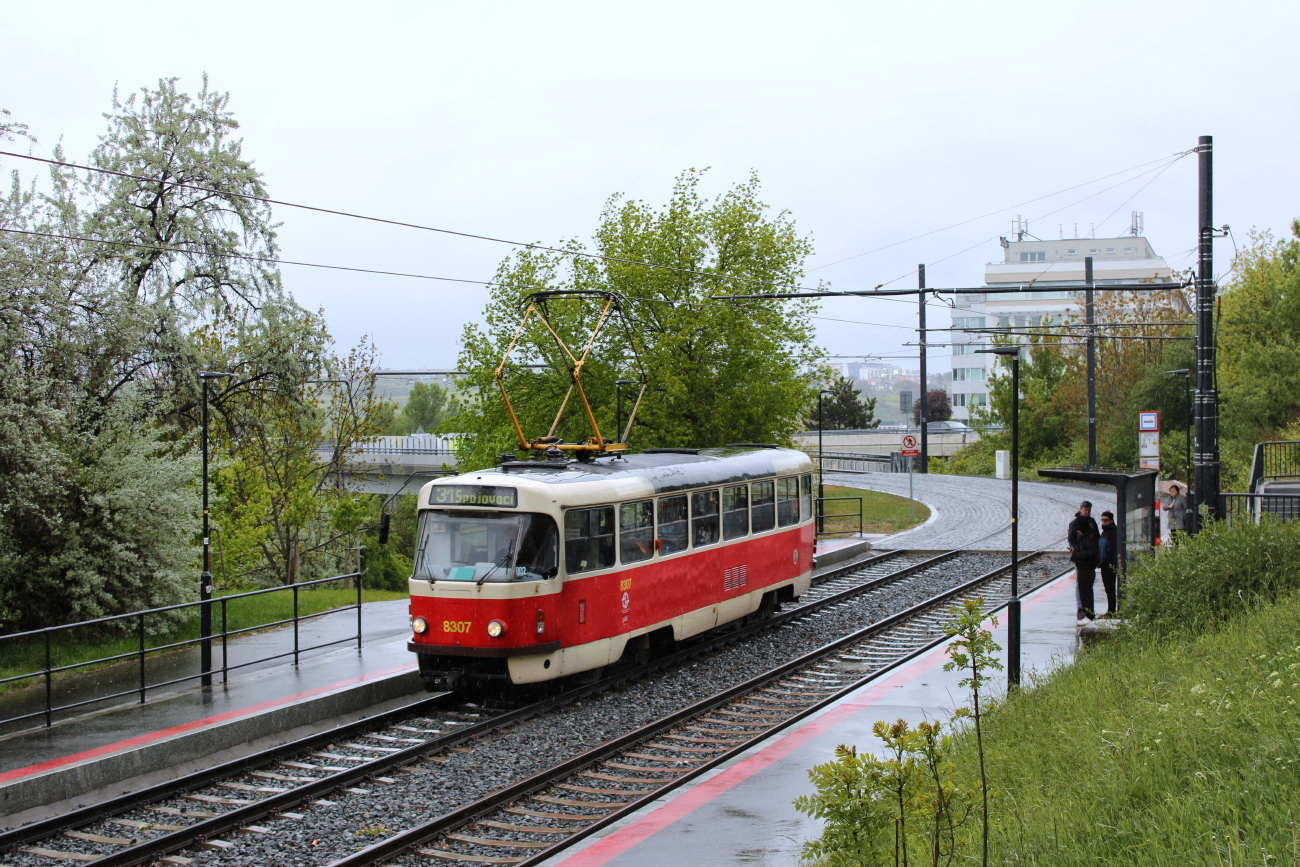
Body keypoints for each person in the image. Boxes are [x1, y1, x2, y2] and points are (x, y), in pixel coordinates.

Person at [1068, 500, 1101, 622]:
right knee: (1081, 584)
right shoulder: (1075, 523)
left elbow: (1097, 537)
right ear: (1081, 509)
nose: (1087, 512)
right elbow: (1071, 538)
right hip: (1081, 559)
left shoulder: (1092, 522)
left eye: (1088, 510)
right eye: (1085, 509)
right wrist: (1074, 549)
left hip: (1087, 559)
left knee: (1086, 586)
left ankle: (1088, 610)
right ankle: (1081, 608)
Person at [1098, 510, 1118, 616]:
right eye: (1102, 520)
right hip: (1104, 564)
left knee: (1110, 588)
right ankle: (1110, 609)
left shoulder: (1113, 532)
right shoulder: (1104, 532)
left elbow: (1111, 550)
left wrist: (1103, 561)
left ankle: (1111, 610)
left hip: (1110, 564)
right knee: (1108, 588)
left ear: (1111, 521)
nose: (1103, 522)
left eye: (1106, 520)